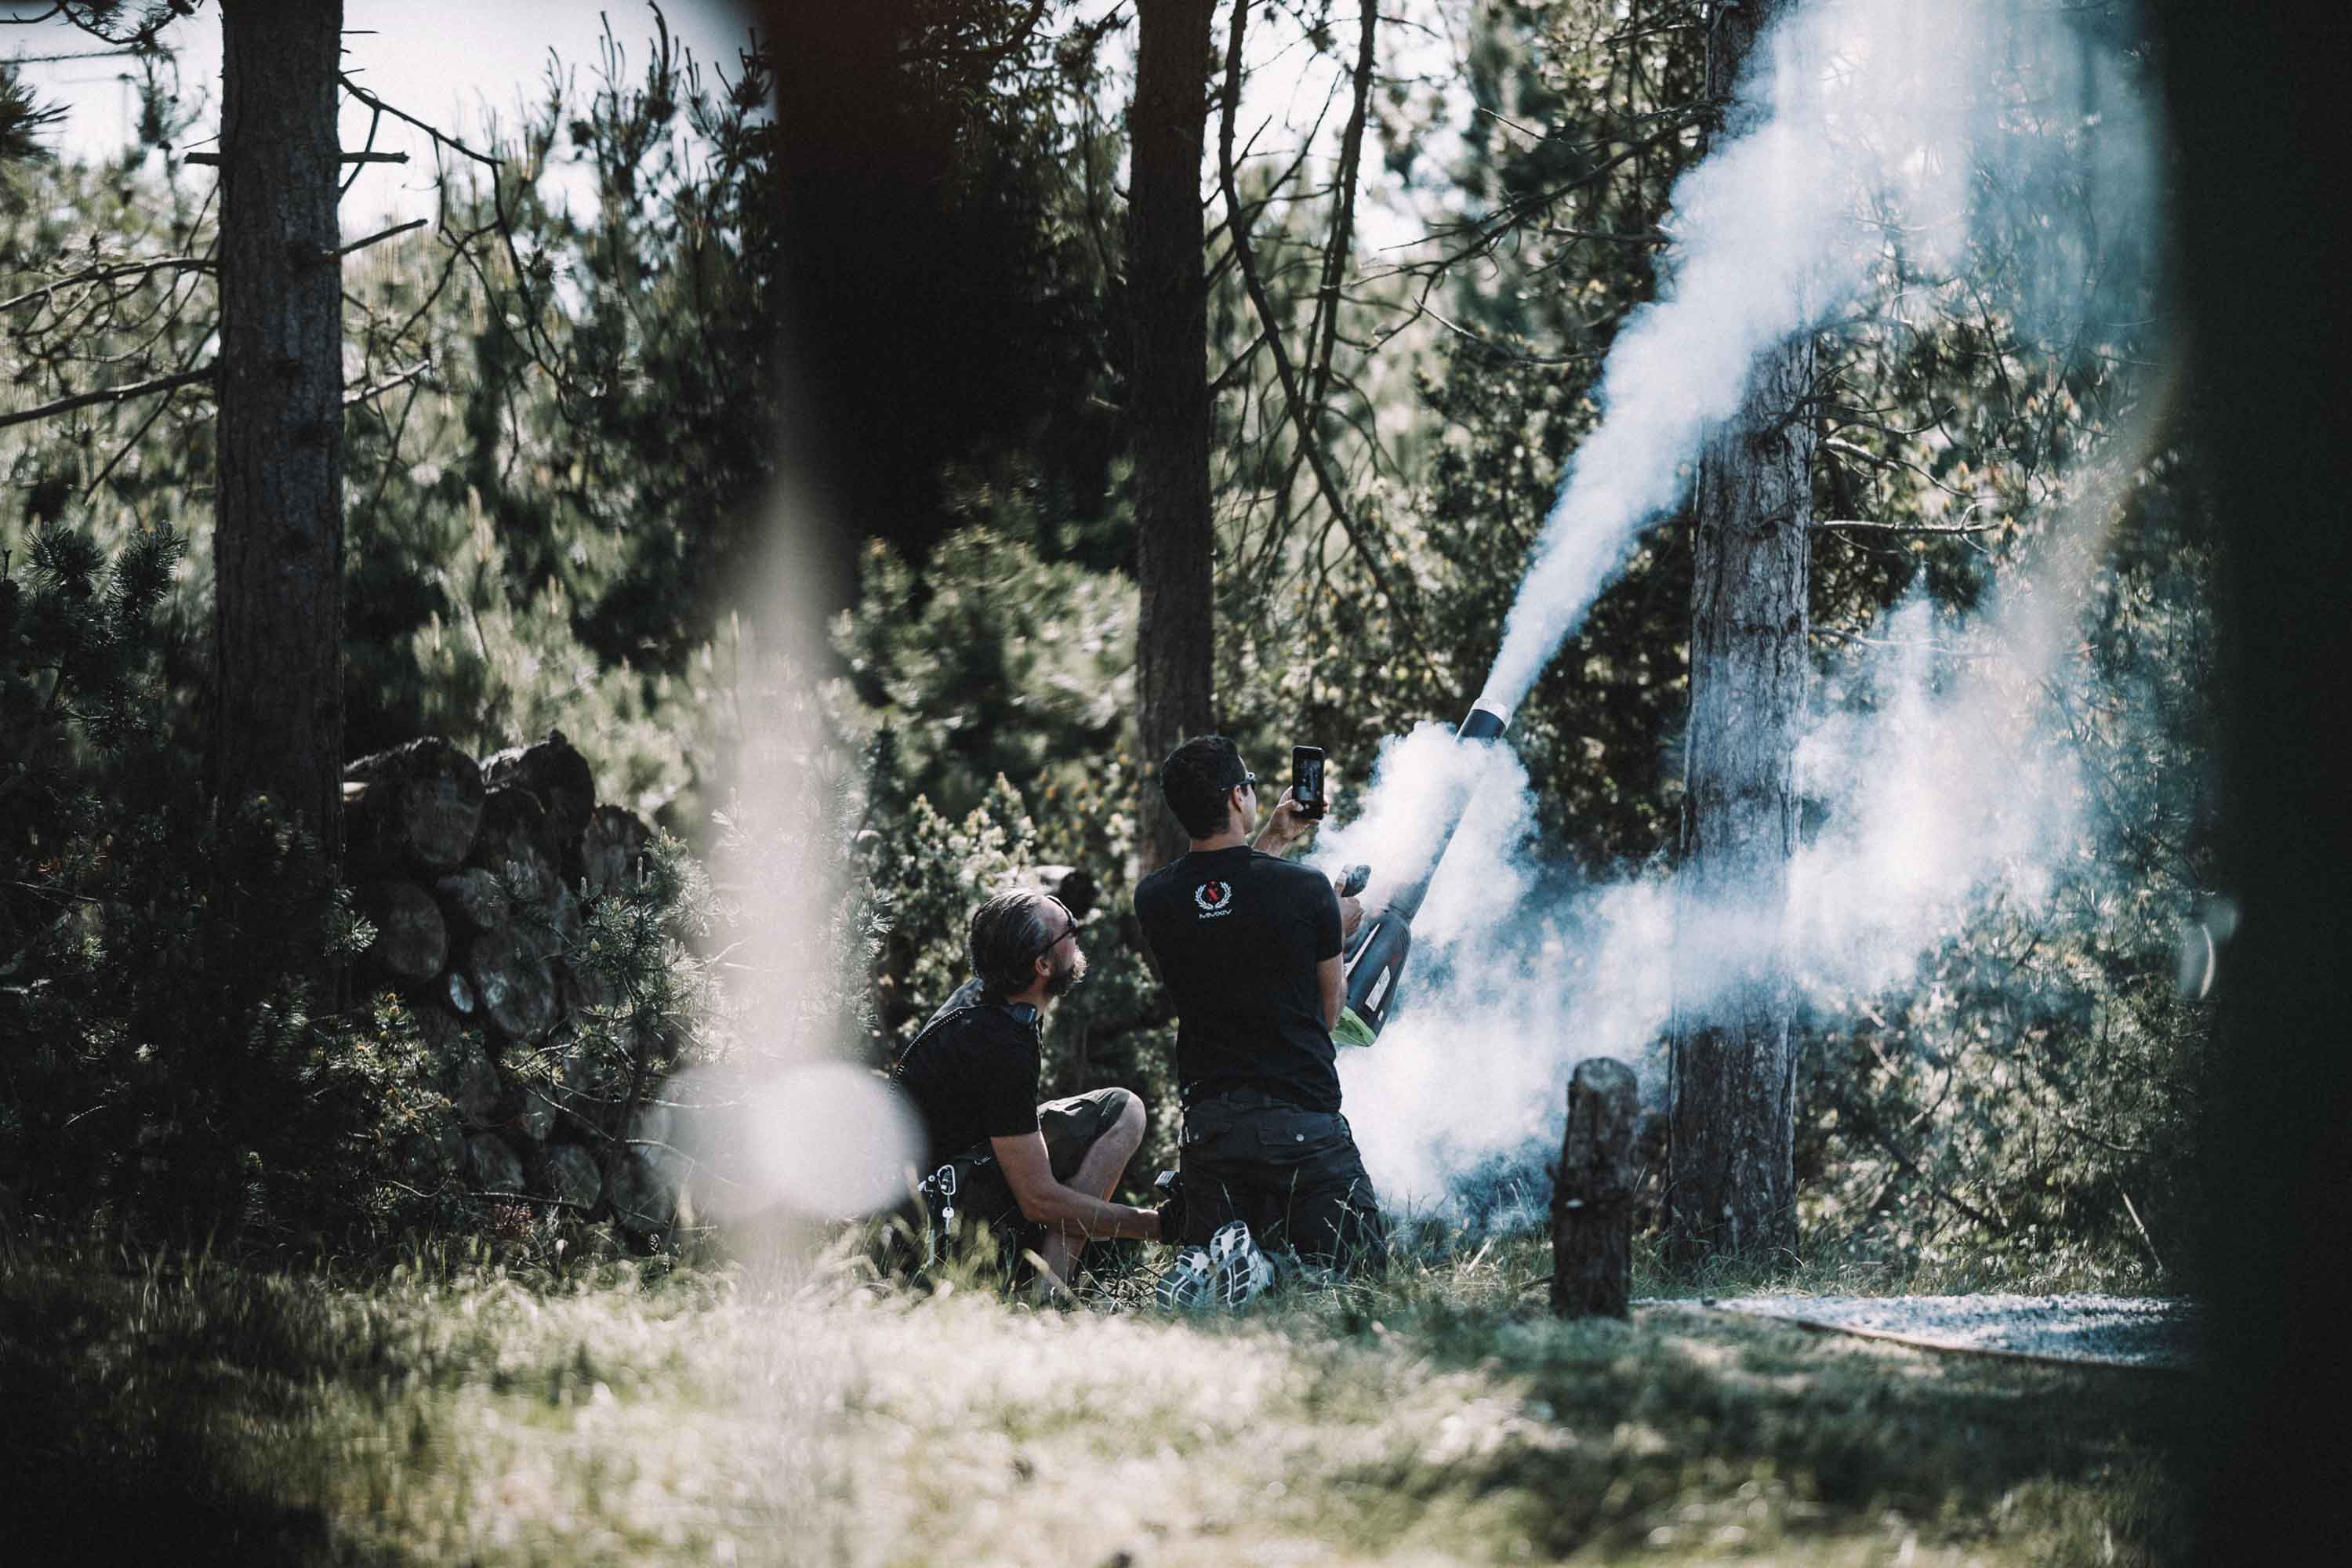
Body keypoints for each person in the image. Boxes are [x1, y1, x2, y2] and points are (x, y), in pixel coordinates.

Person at [1134, 735, 1386, 1271]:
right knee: (1359, 1276)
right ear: (1236, 797)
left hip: (1210, 1134)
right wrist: (1333, 931)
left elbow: (1224, 910)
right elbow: (1328, 1015)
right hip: (1302, 1129)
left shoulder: (1155, 897)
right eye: (1248, 784)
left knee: (1223, 1273)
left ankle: (1245, 1272)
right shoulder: (1309, 891)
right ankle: (1268, 1275)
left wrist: (1272, 838)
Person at [890, 887, 1162, 1293]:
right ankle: (1049, 1296)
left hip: (922, 1209)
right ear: (1042, 966)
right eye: (1069, 928)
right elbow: (1038, 1201)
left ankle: (1043, 1285)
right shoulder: (1001, 1041)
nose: (1077, 932)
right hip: (928, 1230)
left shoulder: (989, 1004)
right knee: (1123, 1110)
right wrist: (1154, 1225)